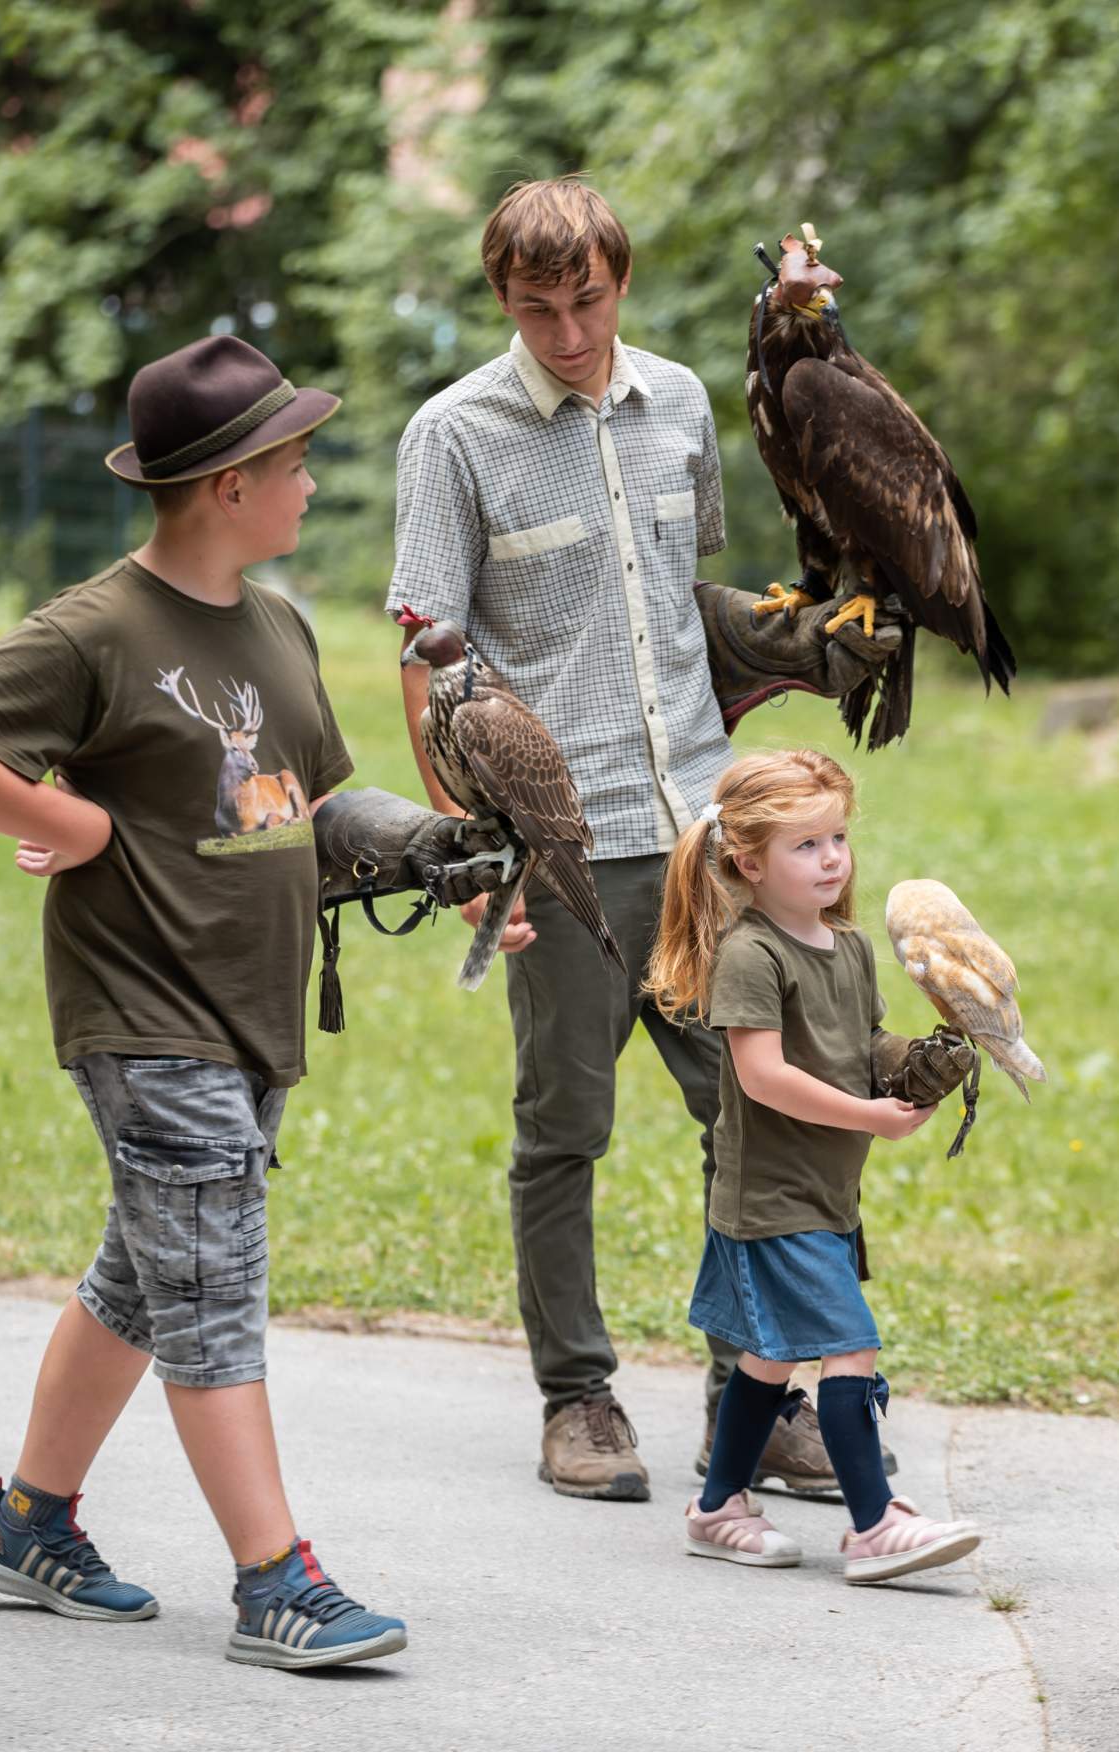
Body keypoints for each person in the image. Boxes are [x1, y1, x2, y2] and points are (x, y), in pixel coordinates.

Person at [387, 176, 896, 1502]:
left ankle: (759, 1396)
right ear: (501, 298)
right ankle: (577, 1400)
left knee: (756, 1120)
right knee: (565, 1131)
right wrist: (459, 849)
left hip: (704, 842)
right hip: (560, 852)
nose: (566, 332)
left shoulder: (677, 406)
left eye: (589, 300)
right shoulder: (453, 437)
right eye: (536, 308)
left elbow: (678, 604)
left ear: (625, 280)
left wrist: (804, 640)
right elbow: (424, 659)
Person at [0, 335, 408, 1667]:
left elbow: (304, 809)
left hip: (244, 1015)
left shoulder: (277, 624)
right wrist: (68, 823)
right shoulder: (99, 628)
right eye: (295, 465)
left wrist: (430, 850)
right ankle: (277, 1584)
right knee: (210, 1289)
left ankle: (31, 1522)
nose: (311, 486)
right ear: (227, 487)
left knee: (145, 1282)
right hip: (143, 1010)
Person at [644, 749, 982, 1582]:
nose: (832, 858)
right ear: (748, 862)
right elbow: (763, 1076)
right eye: (807, 845)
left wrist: (912, 1061)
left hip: (825, 1192)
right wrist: (872, 1116)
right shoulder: (751, 954)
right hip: (771, 1193)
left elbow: (859, 1047)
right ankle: (873, 1527)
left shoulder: (850, 947)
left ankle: (718, 1507)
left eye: (837, 837)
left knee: (768, 1359)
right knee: (849, 1344)